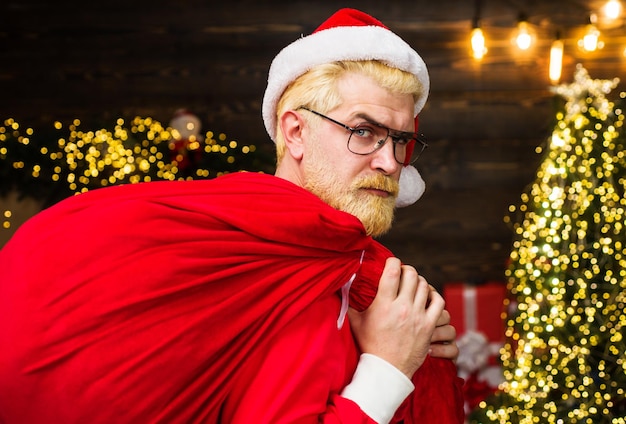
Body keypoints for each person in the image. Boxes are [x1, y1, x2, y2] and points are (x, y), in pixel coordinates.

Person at [0, 8, 464, 424]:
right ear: (296, 132)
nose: (390, 162)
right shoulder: (266, 259)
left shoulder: (356, 271)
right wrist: (388, 366)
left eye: (401, 140)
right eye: (363, 131)